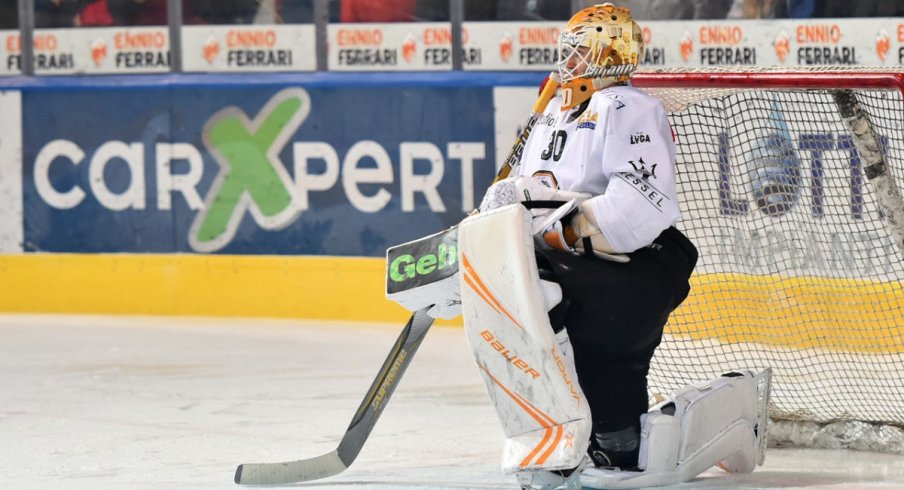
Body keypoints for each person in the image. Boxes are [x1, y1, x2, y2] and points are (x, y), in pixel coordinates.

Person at [458, 4, 769, 489]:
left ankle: (627, 435)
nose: (572, 59)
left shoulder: (627, 107)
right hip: (579, 262)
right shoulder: (551, 113)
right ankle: (581, 438)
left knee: (556, 309)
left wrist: (568, 226)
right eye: (570, 50)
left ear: (611, 52)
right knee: (535, 313)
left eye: (582, 49)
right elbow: (530, 191)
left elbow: (643, 201)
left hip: (640, 265)